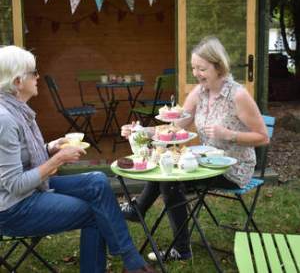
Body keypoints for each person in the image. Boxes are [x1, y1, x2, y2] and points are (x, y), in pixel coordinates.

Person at [0, 46, 156, 273]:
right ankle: (132, 263)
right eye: (33, 73)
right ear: (17, 82)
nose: (38, 77)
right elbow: (14, 185)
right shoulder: (5, 119)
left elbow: (20, 157)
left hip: (33, 189)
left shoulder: (18, 109)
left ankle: (131, 261)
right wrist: (58, 159)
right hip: (14, 208)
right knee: (94, 212)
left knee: (97, 181)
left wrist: (50, 147)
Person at [120, 36, 269, 262]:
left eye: (202, 68)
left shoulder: (238, 95)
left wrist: (230, 135)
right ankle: (142, 213)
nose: (197, 73)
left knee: (169, 182)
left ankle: (174, 243)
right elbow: (174, 127)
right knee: (166, 169)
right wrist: (141, 131)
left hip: (233, 168)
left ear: (218, 66)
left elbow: (262, 137)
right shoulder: (200, 92)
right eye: (194, 68)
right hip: (205, 162)